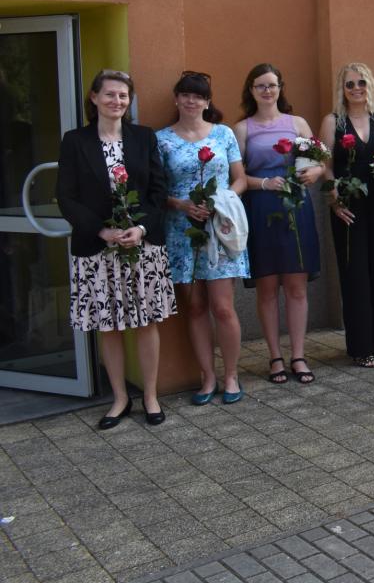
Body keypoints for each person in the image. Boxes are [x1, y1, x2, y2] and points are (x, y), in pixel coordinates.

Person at [57, 70, 175, 428]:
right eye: (109, 94)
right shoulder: (75, 141)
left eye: (123, 95)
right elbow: (66, 196)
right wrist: (101, 230)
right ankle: (120, 399)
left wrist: (141, 228)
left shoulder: (144, 137)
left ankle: (151, 396)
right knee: (108, 325)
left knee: (146, 322)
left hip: (142, 246)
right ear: (94, 98)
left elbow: (158, 190)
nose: (117, 101)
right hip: (97, 249)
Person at [157, 71, 249, 404]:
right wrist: (182, 204)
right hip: (181, 231)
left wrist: (220, 201)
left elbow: (240, 179)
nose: (191, 101)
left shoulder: (224, 134)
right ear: (176, 98)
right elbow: (156, 190)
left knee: (223, 307)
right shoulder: (161, 139)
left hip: (220, 228)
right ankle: (207, 377)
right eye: (185, 94)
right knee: (195, 307)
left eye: (198, 96)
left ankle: (231, 375)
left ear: (207, 102)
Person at [233, 63, 324, 386]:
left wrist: (315, 172)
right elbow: (236, 175)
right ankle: (274, 357)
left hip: (296, 207)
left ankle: (298, 355)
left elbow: (319, 161)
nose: (267, 91)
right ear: (251, 90)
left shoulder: (297, 123)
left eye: (272, 85)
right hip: (260, 208)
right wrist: (264, 183)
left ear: (280, 88)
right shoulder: (242, 129)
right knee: (268, 287)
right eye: (260, 85)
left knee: (297, 286)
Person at [319, 62, 374, 367]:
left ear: (370, 86)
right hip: (348, 209)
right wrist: (334, 201)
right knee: (354, 275)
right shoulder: (333, 122)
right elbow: (325, 166)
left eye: (361, 83)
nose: (356, 89)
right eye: (350, 84)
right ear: (342, 89)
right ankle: (360, 347)